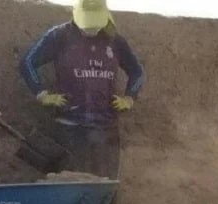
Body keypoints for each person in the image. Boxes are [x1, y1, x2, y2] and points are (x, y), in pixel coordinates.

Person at [19, 0, 144, 187]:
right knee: (69, 185)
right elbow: (27, 63)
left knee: (105, 187)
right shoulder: (60, 36)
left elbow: (137, 71)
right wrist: (41, 94)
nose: (91, 28)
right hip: (70, 129)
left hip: (106, 130)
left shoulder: (115, 41)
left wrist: (130, 98)